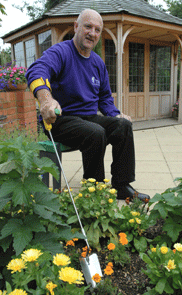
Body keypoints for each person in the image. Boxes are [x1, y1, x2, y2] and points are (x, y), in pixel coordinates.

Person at [26, 8, 150, 204]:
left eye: (97, 30)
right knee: (95, 132)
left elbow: (105, 100)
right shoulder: (61, 52)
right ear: (76, 27)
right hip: (60, 119)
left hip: (88, 118)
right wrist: (46, 100)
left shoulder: (98, 64)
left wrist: (116, 115)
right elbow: (36, 70)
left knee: (123, 126)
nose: (92, 33)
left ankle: (121, 185)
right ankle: (94, 189)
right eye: (88, 27)